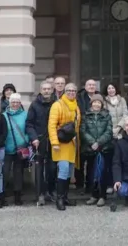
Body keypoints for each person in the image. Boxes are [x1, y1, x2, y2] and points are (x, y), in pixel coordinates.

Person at [48, 82, 82, 211]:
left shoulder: (76, 107)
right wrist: (54, 143)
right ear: (65, 92)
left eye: (74, 91)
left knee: (68, 172)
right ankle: (59, 199)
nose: (71, 93)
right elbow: (51, 125)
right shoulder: (57, 105)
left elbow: (76, 127)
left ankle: (65, 197)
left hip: (72, 144)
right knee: (62, 170)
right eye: (69, 91)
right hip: (60, 144)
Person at [26, 79, 57, 206]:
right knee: (39, 169)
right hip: (39, 141)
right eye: (44, 89)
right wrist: (34, 138)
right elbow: (29, 124)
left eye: (49, 89)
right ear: (40, 90)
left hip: (54, 141)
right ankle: (40, 194)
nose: (46, 91)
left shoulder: (57, 103)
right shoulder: (34, 104)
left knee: (53, 168)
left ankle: (51, 191)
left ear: (52, 90)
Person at [80, 94, 113, 206]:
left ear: (102, 104)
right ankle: (93, 195)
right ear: (91, 103)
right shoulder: (86, 115)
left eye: (99, 102)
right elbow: (83, 130)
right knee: (91, 173)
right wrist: (92, 142)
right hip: (90, 149)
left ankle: (102, 196)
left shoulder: (107, 115)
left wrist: (98, 142)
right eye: (95, 102)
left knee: (102, 172)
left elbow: (109, 131)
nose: (96, 104)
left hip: (103, 148)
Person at [4, 93, 30, 206]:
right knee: (4, 172)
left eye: (17, 102)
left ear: (20, 103)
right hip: (7, 148)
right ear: (9, 103)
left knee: (18, 173)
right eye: (13, 102)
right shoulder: (4, 115)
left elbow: (28, 129)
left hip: (20, 148)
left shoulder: (25, 115)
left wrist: (26, 140)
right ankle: (2, 195)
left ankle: (17, 196)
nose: (15, 104)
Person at [75, 78, 99, 193]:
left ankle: (90, 185)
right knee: (80, 161)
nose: (91, 87)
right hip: (81, 132)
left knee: (92, 162)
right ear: (85, 86)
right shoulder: (79, 98)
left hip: (95, 133)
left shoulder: (99, 97)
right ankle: (79, 185)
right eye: (89, 85)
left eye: (93, 85)